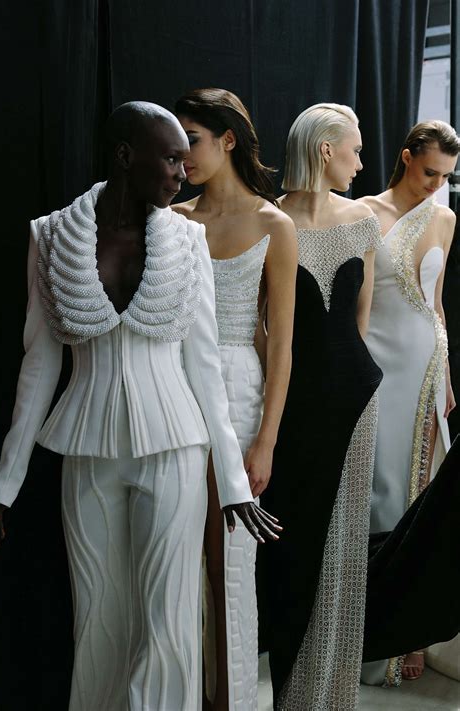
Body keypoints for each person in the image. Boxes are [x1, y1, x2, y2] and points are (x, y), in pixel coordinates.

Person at [0, 101, 281, 711]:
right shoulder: (51, 235)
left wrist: (232, 482)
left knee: (169, 620)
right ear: (126, 156)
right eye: (171, 157)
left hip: (175, 446)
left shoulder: (188, 241)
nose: (182, 170)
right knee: (96, 616)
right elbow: (37, 368)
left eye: (185, 155)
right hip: (86, 452)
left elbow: (203, 368)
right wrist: (3, 488)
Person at [172, 87, 298, 711]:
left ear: (227, 139)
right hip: (173, 391)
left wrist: (266, 439)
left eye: (191, 138)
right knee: (175, 556)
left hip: (241, 392)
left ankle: (234, 701)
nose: (181, 153)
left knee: (233, 562)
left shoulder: (274, 223)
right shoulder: (173, 218)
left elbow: (279, 346)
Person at [261, 103, 384, 710]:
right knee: (293, 547)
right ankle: (289, 692)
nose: (363, 163)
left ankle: (332, 696)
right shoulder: (270, 222)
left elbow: (359, 324)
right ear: (324, 150)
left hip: (355, 401)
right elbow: (266, 333)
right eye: (355, 150)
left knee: (344, 545)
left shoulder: (363, 221)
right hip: (292, 410)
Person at [358, 119, 459, 686]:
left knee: (423, 492)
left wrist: (445, 374)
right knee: (381, 493)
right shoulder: (363, 213)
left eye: (445, 177)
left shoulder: (445, 217)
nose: (435, 186)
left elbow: (437, 303)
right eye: (428, 172)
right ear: (404, 158)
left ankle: (412, 635)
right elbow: (360, 307)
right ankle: (375, 639)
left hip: (426, 365)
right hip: (380, 364)